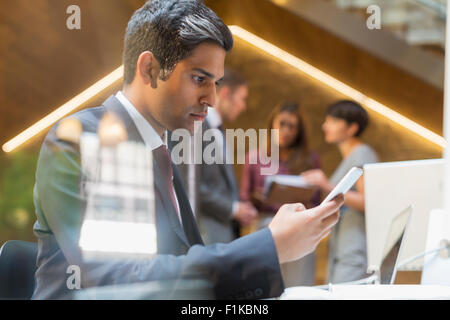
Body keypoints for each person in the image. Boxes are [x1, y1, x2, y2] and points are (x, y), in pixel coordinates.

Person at [31, 0, 344, 299]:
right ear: (150, 69)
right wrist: (269, 246)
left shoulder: (162, 147)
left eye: (216, 83)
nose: (212, 98)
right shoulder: (81, 142)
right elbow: (118, 279)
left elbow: (186, 262)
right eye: (199, 79)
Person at [240, 101, 321, 287]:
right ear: (272, 124)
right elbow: (244, 199)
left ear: (298, 131)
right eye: (281, 124)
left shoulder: (310, 160)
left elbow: (317, 201)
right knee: (263, 287)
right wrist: (256, 197)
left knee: (298, 288)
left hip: (300, 227)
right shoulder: (254, 158)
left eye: (292, 126)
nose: (285, 130)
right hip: (265, 228)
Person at [302, 100, 378, 284]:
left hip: (354, 245)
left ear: (352, 128)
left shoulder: (362, 153)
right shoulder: (351, 157)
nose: (325, 125)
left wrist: (326, 185)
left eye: (333, 121)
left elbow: (369, 201)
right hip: (344, 245)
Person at [197, 69, 258, 245]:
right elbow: (191, 185)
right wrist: (233, 209)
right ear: (225, 93)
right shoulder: (196, 126)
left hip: (225, 235)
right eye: (242, 98)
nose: (243, 106)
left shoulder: (220, 130)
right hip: (207, 235)